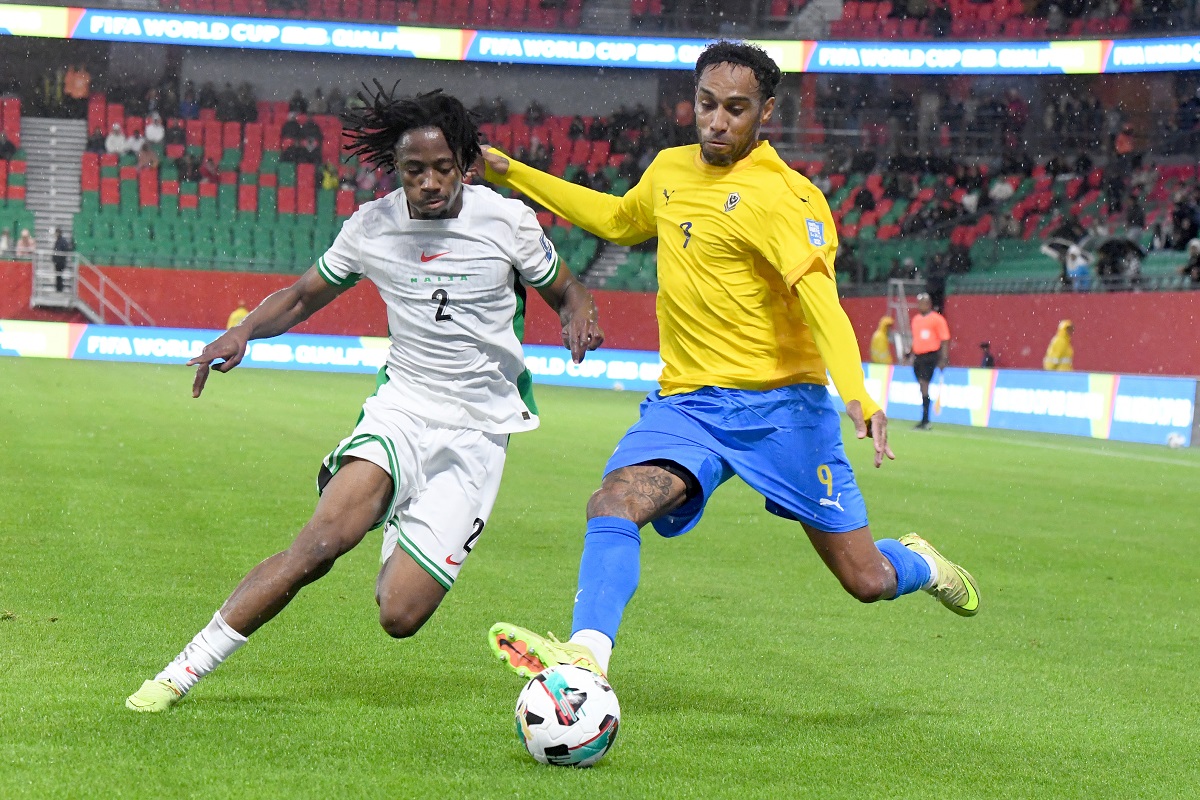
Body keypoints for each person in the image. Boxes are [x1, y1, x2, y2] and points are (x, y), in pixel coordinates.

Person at [479, 41, 979, 684]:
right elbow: (617, 219)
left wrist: (858, 393)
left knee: (866, 579)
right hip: (689, 406)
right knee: (614, 501)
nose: (717, 121)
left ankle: (920, 564)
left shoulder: (787, 198)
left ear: (765, 111)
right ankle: (586, 658)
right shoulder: (670, 170)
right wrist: (510, 172)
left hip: (782, 411)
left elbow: (822, 304)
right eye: (706, 104)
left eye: (735, 109)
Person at [124, 86, 604, 713]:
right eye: (413, 170)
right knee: (320, 545)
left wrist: (578, 313)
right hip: (402, 408)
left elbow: (566, 289)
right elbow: (302, 296)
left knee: (399, 615)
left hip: (479, 430)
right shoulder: (373, 225)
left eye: (442, 168)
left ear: (465, 162)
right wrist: (243, 330)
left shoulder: (506, 222)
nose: (428, 183)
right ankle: (179, 673)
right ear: (395, 168)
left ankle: (405, 515)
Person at [908, 292, 949, 430]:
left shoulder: (937, 319)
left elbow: (944, 339)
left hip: (930, 356)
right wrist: (909, 352)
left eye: (924, 303)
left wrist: (943, 359)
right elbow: (915, 339)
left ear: (929, 304)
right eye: (919, 303)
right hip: (918, 356)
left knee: (924, 384)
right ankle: (924, 419)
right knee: (921, 386)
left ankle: (925, 420)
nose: (921, 305)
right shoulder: (916, 320)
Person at [52, 228, 72, 292]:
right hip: (59, 261)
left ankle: (59, 288)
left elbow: (64, 250)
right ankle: (59, 288)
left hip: (60, 261)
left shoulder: (61, 241)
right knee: (59, 275)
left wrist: (58, 258)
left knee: (59, 275)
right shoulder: (60, 241)